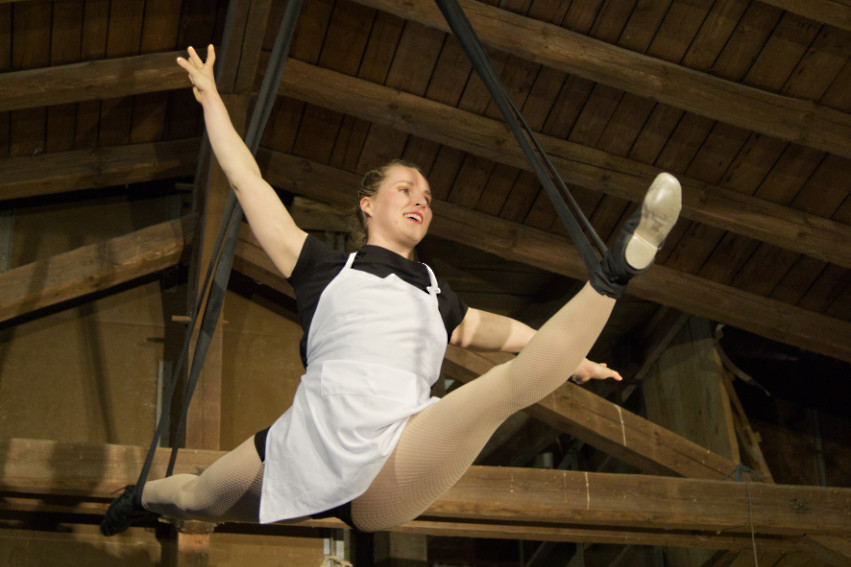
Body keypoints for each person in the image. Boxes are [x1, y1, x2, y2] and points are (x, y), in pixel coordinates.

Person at [101, 45, 680, 535]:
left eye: (426, 197)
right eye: (405, 189)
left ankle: (613, 274)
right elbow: (245, 178)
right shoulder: (321, 268)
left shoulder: (437, 296)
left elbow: (508, 335)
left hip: (398, 460)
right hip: (304, 447)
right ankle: (139, 500)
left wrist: (575, 360)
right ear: (367, 204)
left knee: (502, 391)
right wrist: (211, 99)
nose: (419, 200)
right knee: (197, 498)